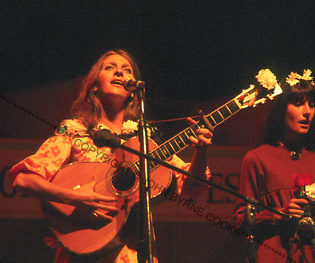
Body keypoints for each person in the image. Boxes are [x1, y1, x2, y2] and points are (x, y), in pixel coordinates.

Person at [10, 49, 213, 263]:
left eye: (127, 70)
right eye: (110, 68)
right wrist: (75, 198)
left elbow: (189, 187)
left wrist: (201, 152)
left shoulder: (143, 143)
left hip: (134, 255)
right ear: (94, 86)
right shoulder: (75, 133)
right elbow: (24, 179)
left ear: (134, 90)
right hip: (84, 250)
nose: (119, 73)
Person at [234, 69, 315, 262]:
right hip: (276, 254)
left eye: (311, 105)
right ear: (281, 109)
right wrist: (279, 215)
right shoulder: (257, 158)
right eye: (298, 103)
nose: (307, 111)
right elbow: (241, 220)